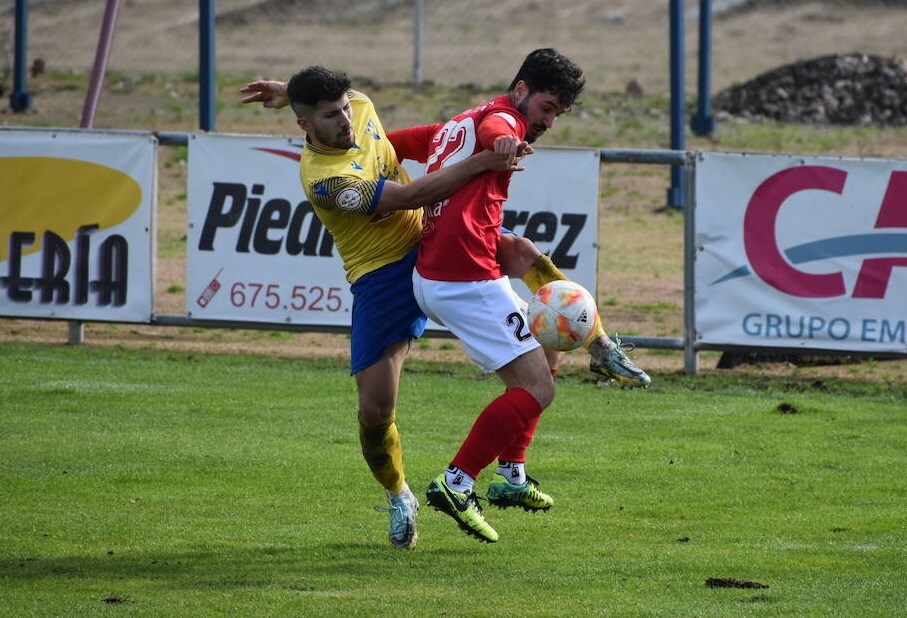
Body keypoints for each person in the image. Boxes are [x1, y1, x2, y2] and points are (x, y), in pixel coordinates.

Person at [238, 61, 649, 549]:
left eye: (346, 108)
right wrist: (484, 159)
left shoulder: (361, 106)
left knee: (528, 274)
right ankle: (399, 496)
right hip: (382, 277)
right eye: (330, 116)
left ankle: (526, 448)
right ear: (305, 124)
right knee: (375, 413)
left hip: (432, 245)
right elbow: (411, 195)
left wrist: (290, 90)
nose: (347, 121)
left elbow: (418, 138)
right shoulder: (325, 179)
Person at [390, 48, 623, 543]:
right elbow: (500, 132)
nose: (550, 121)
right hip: (465, 282)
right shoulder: (501, 121)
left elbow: (389, 143)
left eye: (558, 113)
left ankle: (511, 477)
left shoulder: (455, 124)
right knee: (539, 390)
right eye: (547, 108)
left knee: (548, 341)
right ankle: (456, 483)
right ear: (521, 91)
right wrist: (505, 147)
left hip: (449, 275)